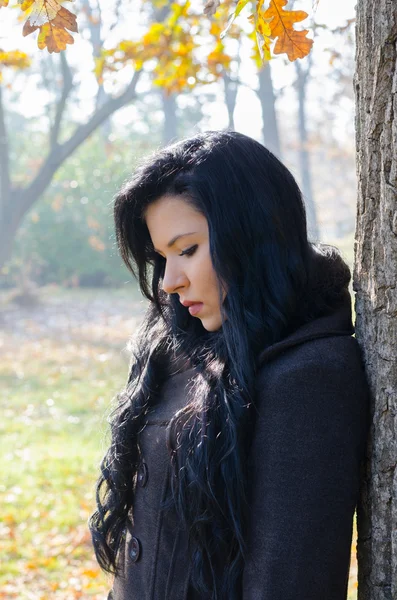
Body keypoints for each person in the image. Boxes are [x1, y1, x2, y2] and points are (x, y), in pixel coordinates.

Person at [89, 130, 370, 600]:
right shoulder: (176, 343)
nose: (170, 282)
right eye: (162, 257)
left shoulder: (310, 376)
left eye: (188, 249)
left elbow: (290, 581)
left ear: (252, 233)